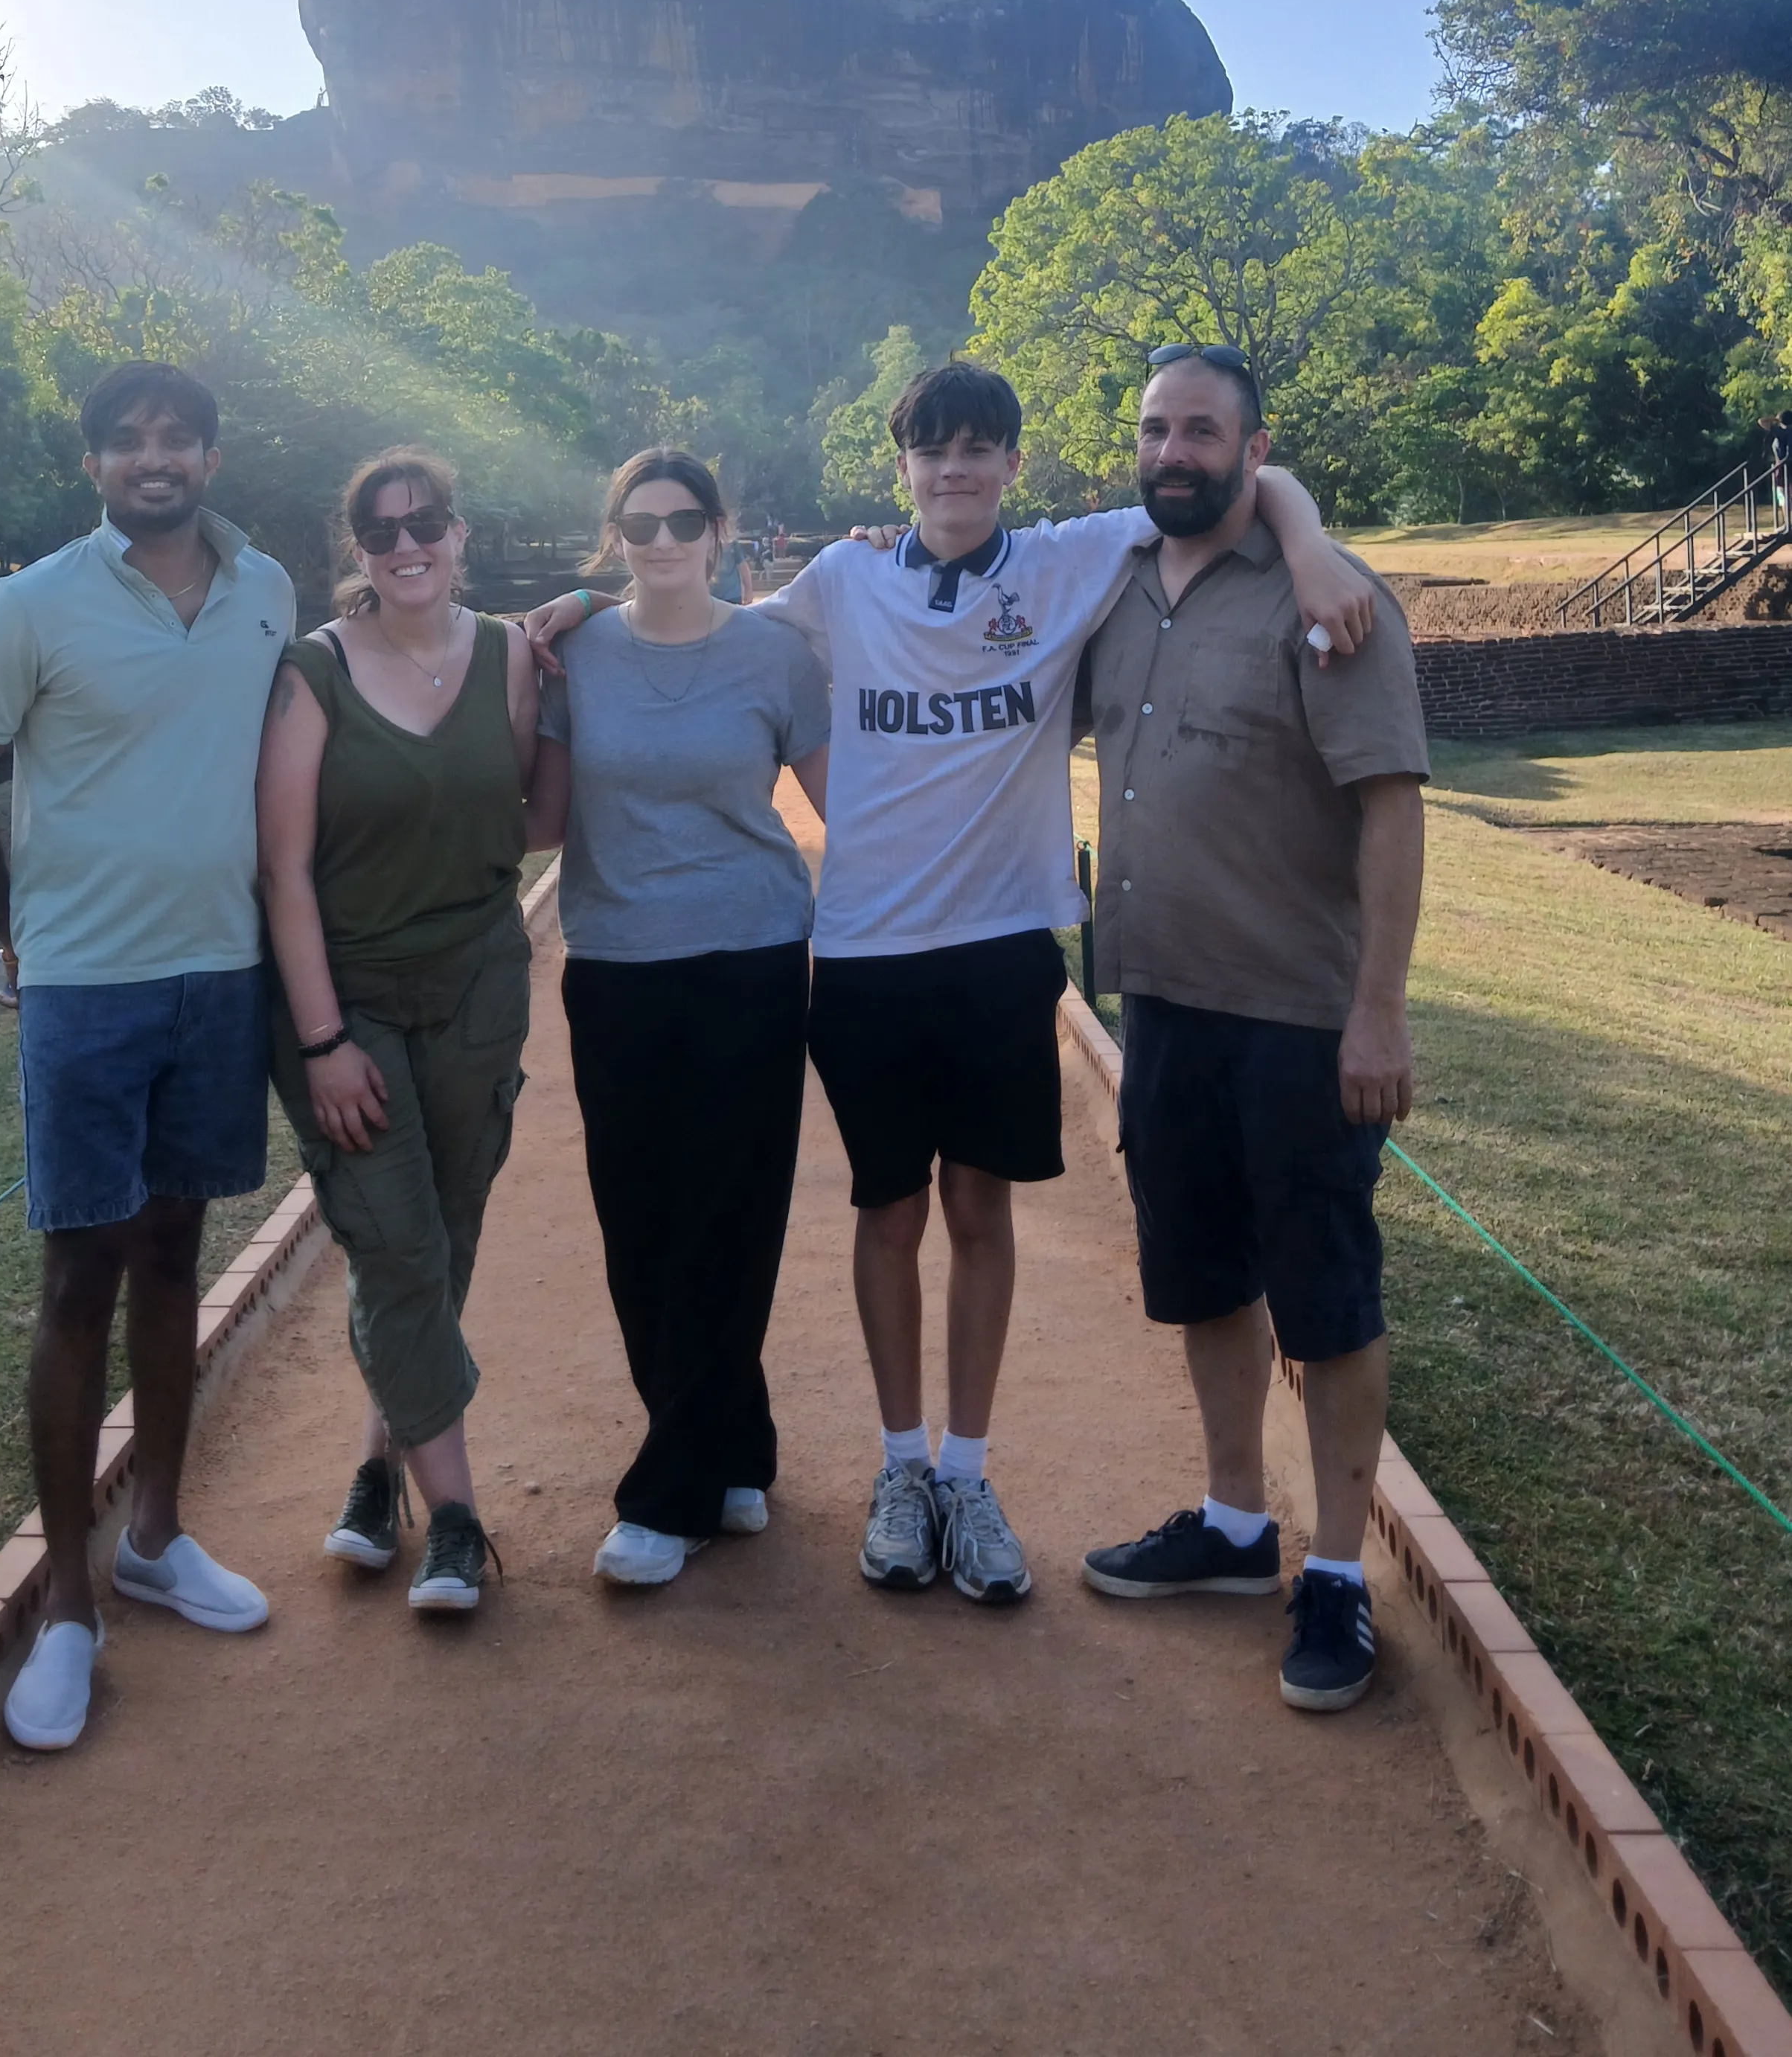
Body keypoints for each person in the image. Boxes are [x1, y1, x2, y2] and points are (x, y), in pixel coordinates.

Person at [532, 358, 1373, 1608]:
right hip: (867, 951)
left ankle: (969, 1476)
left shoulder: (1066, 562)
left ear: (1014, 465)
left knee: (982, 1215)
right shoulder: (844, 577)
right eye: (933, 451)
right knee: (888, 1214)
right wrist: (575, 607)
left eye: (980, 448)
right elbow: (689, 612)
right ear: (905, 467)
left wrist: (1311, 550)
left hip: (999, 949)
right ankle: (902, 1468)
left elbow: (1240, 472)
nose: (956, 471)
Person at [0, 362, 290, 1753]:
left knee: (178, 1250)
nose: (153, 458)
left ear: (209, 451)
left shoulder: (267, 588)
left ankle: (156, 1537)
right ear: (93, 466)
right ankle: (68, 1605)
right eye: (126, 441)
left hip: (220, 971)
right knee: (80, 1272)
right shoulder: (33, 606)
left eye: (175, 437)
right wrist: (25, 936)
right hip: (86, 987)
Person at [1078, 349, 1427, 1714]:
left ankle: (1335, 1570)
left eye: (1202, 431)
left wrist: (1378, 1010)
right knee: (1204, 1275)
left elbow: (1393, 807)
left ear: (1252, 446)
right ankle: (1235, 1523)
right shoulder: (1114, 587)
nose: (1173, 450)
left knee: (1327, 1297)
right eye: (1155, 427)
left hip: (1296, 1013)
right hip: (1162, 1000)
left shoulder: (1328, 601)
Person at [522, 449, 831, 1587]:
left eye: (682, 520)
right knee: (638, 1218)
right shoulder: (572, 656)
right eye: (638, 524)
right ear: (614, 537)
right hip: (615, 965)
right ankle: (734, 1443)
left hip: (750, 959)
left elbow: (842, 803)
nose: (661, 540)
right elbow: (544, 825)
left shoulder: (774, 653)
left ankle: (668, 1491)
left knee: (730, 1212)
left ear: (720, 529)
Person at [258, 448, 540, 1616]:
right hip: (350, 1001)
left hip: (476, 982)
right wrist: (322, 1042)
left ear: (461, 532)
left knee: (449, 1229)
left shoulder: (515, 657)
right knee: (395, 1243)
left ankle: (380, 1467)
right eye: (382, 532)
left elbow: (525, 818)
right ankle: (460, 1520)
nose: (406, 543)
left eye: (425, 521)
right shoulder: (310, 674)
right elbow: (282, 872)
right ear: (358, 552)